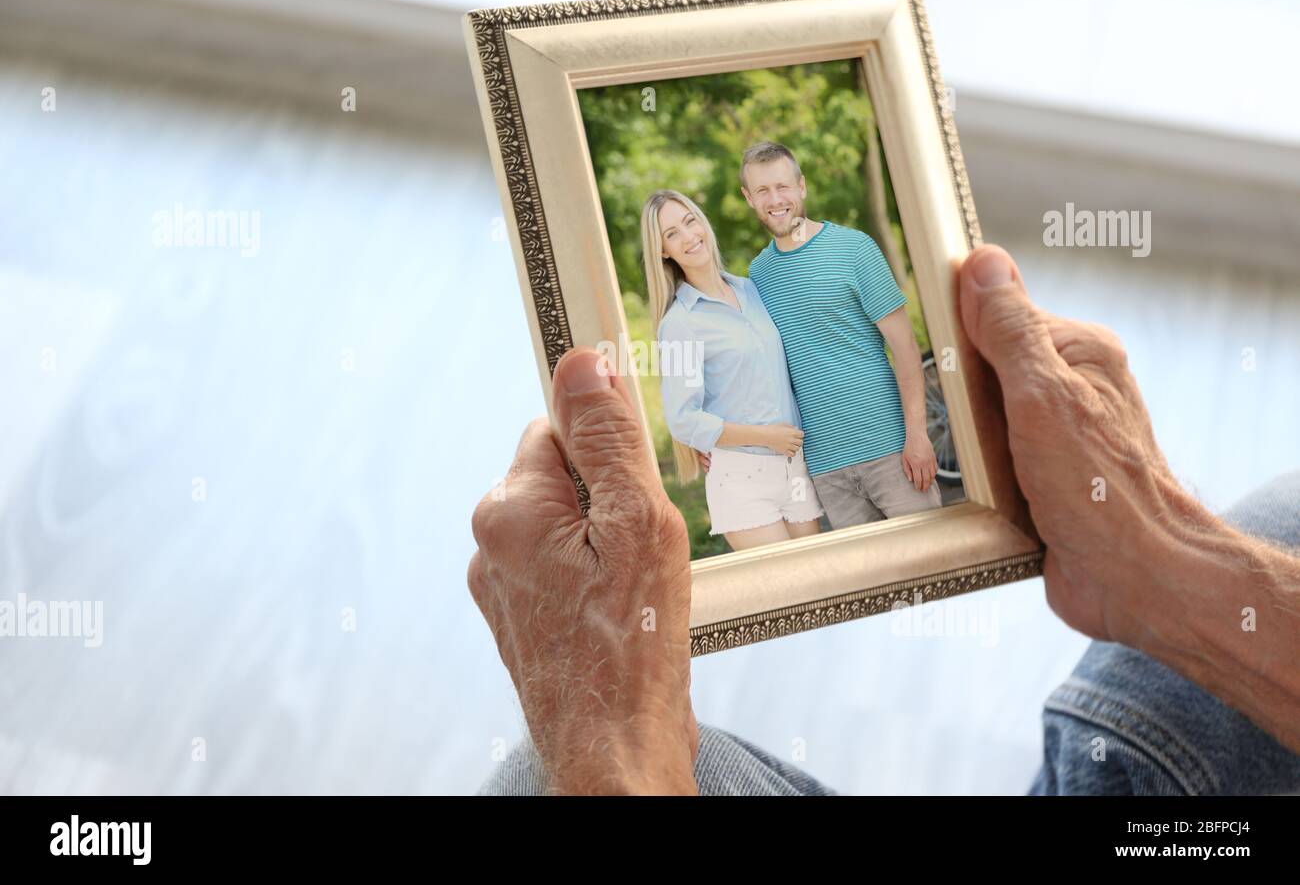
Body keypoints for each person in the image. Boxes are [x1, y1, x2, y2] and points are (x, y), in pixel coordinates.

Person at [467, 244, 1300, 795]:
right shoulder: (693, 316)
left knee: (537, 781)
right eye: (676, 227)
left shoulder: (759, 289)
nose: (694, 233)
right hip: (763, 469)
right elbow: (694, 417)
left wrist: (614, 749)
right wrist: (1171, 561)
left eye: (697, 221)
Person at [736, 141, 942, 528]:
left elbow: (905, 346)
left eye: (783, 187)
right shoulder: (758, 275)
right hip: (828, 472)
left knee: (935, 570)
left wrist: (917, 435)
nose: (775, 199)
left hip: (892, 452)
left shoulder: (854, 249)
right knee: (871, 585)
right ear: (748, 198)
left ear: (802, 187)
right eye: (762, 190)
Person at [644, 189, 823, 551]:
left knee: (822, 585)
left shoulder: (751, 290)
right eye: (672, 234)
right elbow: (682, 419)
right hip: (743, 480)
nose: (689, 236)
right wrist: (763, 436)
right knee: (787, 593)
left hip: (795, 468)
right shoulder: (679, 323)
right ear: (663, 251)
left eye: (690, 222)